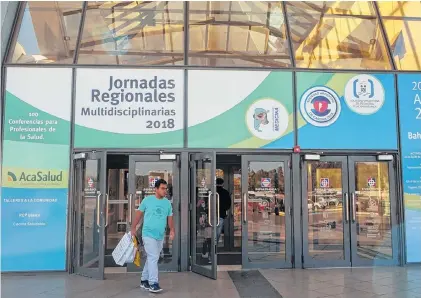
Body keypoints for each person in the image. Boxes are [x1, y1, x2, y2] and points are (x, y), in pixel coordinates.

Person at [131, 179, 174, 293]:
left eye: (166, 189)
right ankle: (153, 283)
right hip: (148, 234)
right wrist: (133, 228)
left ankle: (144, 280)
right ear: (156, 189)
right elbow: (138, 215)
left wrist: (172, 230)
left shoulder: (167, 203)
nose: (165, 191)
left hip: (160, 235)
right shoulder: (147, 200)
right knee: (154, 257)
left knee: (152, 257)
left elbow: (170, 218)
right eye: (162, 188)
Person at [216, 178, 231, 244]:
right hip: (221, 214)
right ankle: (215, 244)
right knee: (218, 231)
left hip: (211, 215)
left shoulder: (211, 192)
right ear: (222, 184)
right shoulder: (225, 192)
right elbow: (228, 204)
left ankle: (211, 245)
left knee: (211, 231)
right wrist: (224, 209)